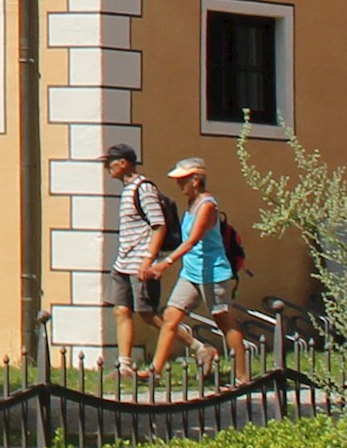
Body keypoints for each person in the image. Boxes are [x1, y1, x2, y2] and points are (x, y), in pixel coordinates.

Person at [142, 157, 251, 384]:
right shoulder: (191, 204)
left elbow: (192, 240)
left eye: (183, 180)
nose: (179, 184)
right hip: (191, 272)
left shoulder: (207, 205)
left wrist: (165, 263)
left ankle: (242, 376)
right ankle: (155, 371)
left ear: (196, 179)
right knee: (170, 317)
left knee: (224, 321)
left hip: (212, 273)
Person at [104, 144, 172, 364]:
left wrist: (148, 261)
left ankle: (197, 346)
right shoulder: (128, 190)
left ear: (123, 163)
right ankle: (125, 364)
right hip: (123, 263)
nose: (107, 168)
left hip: (140, 263)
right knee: (121, 310)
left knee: (148, 314)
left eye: (110, 162)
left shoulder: (144, 189)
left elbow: (159, 225)